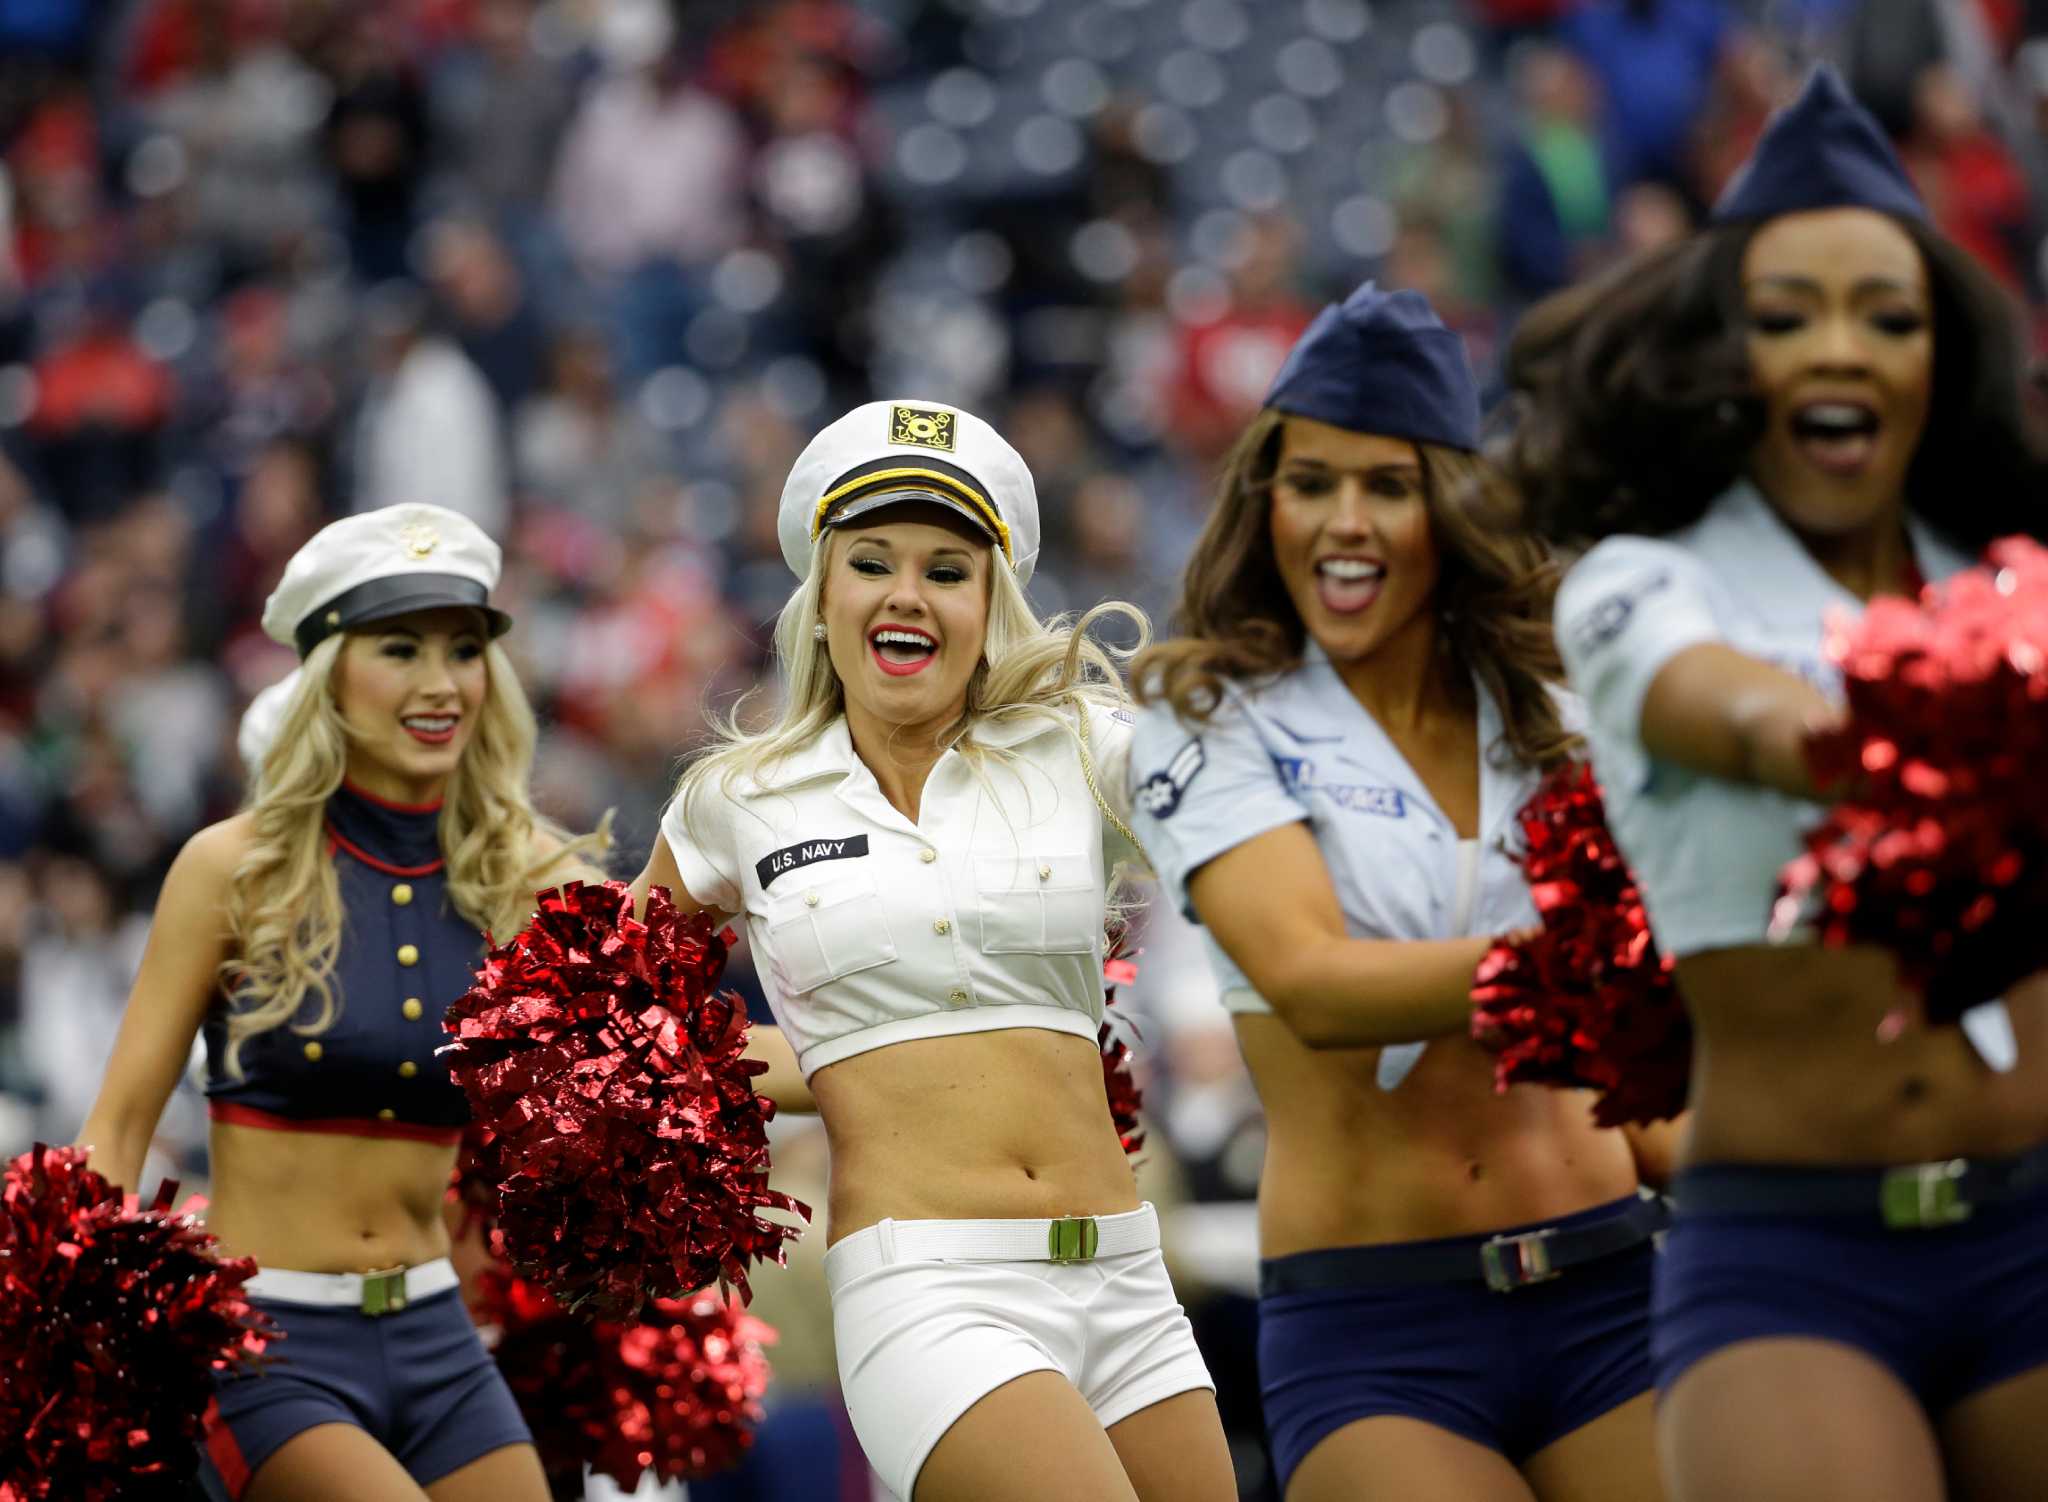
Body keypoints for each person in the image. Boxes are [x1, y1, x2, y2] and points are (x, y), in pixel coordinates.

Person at [1498, 67, 2048, 1501]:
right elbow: (1734, 715)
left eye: (1888, 315)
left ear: (1941, 354)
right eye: (1785, 315)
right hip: (1795, 1256)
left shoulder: (2016, 570)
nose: (1838, 351)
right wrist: (1927, 745)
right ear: (1716, 352)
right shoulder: (1643, 582)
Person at [631, 400, 1233, 1502]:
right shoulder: (739, 798)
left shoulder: (1081, 747)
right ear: (822, 601)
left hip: (1126, 1271)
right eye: (870, 562)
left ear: (986, 606)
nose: (906, 593)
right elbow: (605, 1025)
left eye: (946, 569)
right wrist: (837, 1061)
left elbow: (1255, 839)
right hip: (929, 1286)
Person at [1127, 285, 1668, 1502]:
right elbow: (1313, 984)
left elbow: (1637, 1064)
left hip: (1614, 1280)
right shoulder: (1206, 709)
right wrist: (1580, 963)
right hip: (1377, 1328)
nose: (1340, 520)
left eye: (1387, 484)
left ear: (1454, 504)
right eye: (1308, 482)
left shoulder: (1556, 701)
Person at [75, 503, 609, 1502]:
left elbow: (670, 1063)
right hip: (266, 1336)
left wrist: (868, 1058)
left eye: (462, 649)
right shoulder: (233, 867)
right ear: (327, 675)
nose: (440, 682)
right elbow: (116, 1123)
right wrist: (70, 1334)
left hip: (440, 1336)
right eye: (399, 648)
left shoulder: (526, 877)